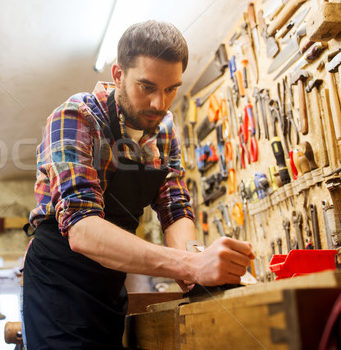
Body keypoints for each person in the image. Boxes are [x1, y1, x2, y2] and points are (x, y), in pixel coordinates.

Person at [22, 20, 254, 349]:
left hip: (112, 279)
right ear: (118, 75)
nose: (160, 103)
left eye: (171, 88)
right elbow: (82, 229)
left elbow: (175, 209)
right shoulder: (76, 117)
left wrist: (195, 272)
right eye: (147, 87)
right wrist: (192, 265)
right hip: (59, 283)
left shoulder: (164, 128)